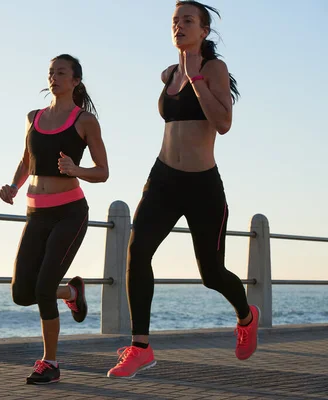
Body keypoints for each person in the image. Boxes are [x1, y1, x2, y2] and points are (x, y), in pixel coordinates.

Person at [107, 1, 260, 379]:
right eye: (175, 21)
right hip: (162, 179)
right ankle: (140, 346)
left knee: (210, 273)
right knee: (137, 252)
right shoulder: (170, 72)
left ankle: (246, 315)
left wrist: (196, 80)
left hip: (201, 184)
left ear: (204, 30)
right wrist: (178, 75)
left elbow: (223, 123)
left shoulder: (213, 69)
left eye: (188, 20)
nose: (179, 26)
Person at [0, 54, 109, 385]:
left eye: (61, 73)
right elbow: (26, 160)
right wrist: (13, 187)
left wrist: (77, 170)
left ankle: (50, 362)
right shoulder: (33, 117)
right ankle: (72, 294)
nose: (54, 77)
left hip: (70, 213)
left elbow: (103, 171)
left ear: (75, 80)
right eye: (51, 72)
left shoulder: (85, 121)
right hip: (37, 213)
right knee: (21, 292)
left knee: (44, 287)